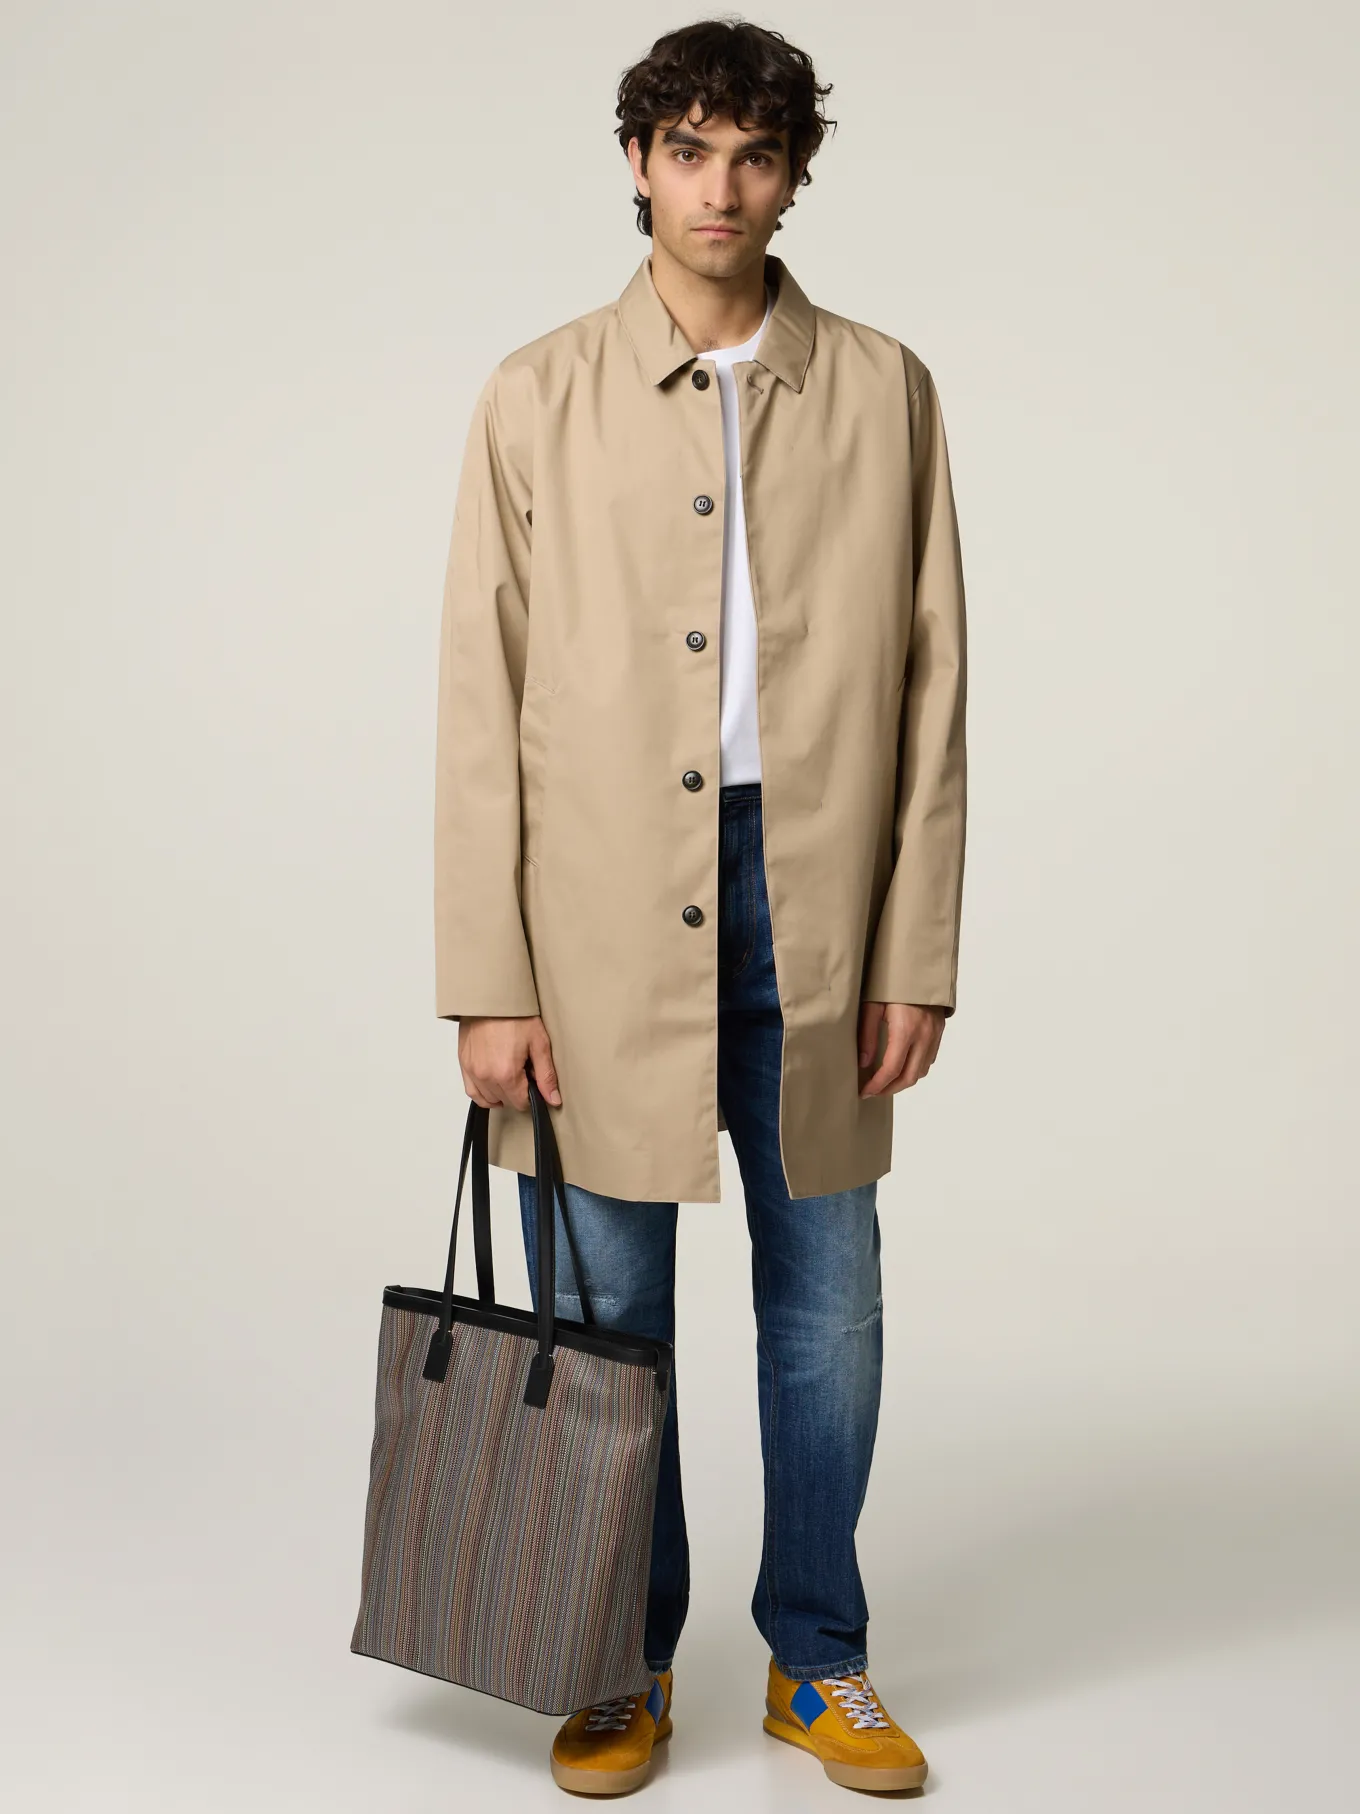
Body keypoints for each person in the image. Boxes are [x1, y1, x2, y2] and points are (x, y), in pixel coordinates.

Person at [433, 17, 967, 1797]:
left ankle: (820, 1658)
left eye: (754, 154)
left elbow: (935, 687)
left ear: (794, 174)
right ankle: (621, 1660)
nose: (719, 188)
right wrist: (488, 977)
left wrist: (915, 948)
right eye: (687, 150)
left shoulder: (885, 388)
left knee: (830, 1310)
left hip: (817, 906)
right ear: (638, 164)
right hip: (593, 918)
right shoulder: (536, 393)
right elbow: (480, 701)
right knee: (609, 1323)